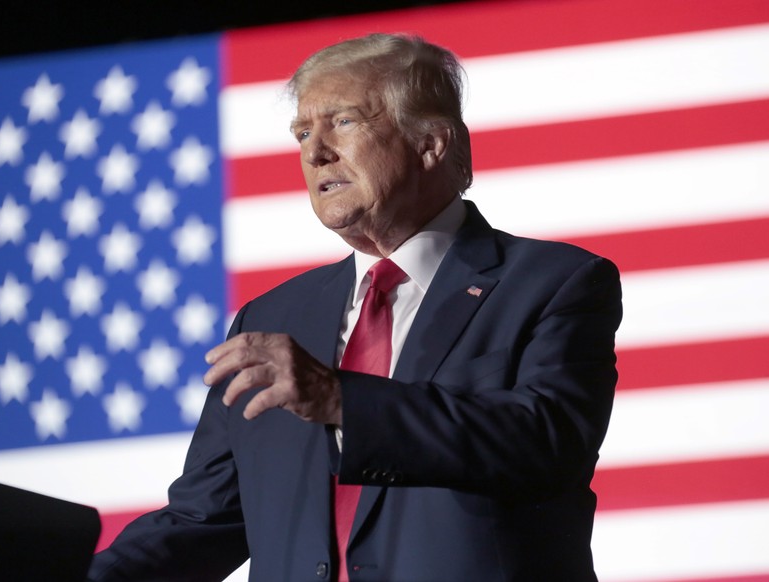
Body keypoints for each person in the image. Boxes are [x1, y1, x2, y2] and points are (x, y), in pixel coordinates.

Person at [88, 33, 622, 582]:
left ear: (431, 144)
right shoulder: (272, 318)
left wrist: (341, 399)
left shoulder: (553, 283)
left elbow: (545, 443)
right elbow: (205, 521)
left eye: (342, 122)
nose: (313, 152)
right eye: (302, 132)